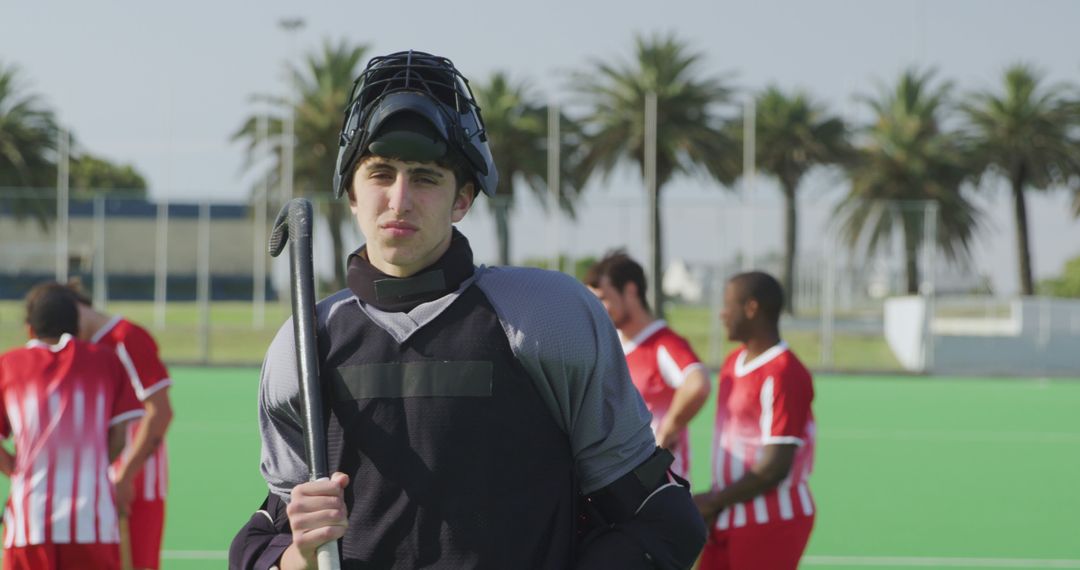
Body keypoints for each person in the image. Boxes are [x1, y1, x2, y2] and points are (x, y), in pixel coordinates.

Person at [229, 50, 705, 570]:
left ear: (464, 199)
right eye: (380, 173)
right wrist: (301, 551)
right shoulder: (304, 345)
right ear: (351, 193)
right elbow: (262, 549)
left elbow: (662, 521)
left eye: (427, 177)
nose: (400, 199)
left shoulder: (545, 318)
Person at [0, 282, 144, 570]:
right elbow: (119, 435)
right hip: (93, 520)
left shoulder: (8, 365)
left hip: (30, 520)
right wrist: (93, 463)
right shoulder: (105, 362)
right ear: (78, 327)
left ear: (30, 330)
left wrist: (15, 467)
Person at [692, 272, 816, 570]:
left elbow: (774, 467)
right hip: (728, 514)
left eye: (728, 305)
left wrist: (712, 501)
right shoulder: (733, 362)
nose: (722, 314)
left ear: (751, 308)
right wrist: (716, 502)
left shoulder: (784, 372)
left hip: (771, 520)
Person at [68, 282, 174, 570]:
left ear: (78, 309)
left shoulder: (126, 337)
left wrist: (125, 476)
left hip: (138, 483)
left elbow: (160, 412)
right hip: (94, 482)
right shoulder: (80, 348)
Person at [584, 251, 710, 480]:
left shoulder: (663, 343)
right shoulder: (611, 347)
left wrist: (667, 430)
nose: (598, 308)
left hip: (661, 489)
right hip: (622, 488)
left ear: (630, 291)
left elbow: (698, 384)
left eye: (603, 298)